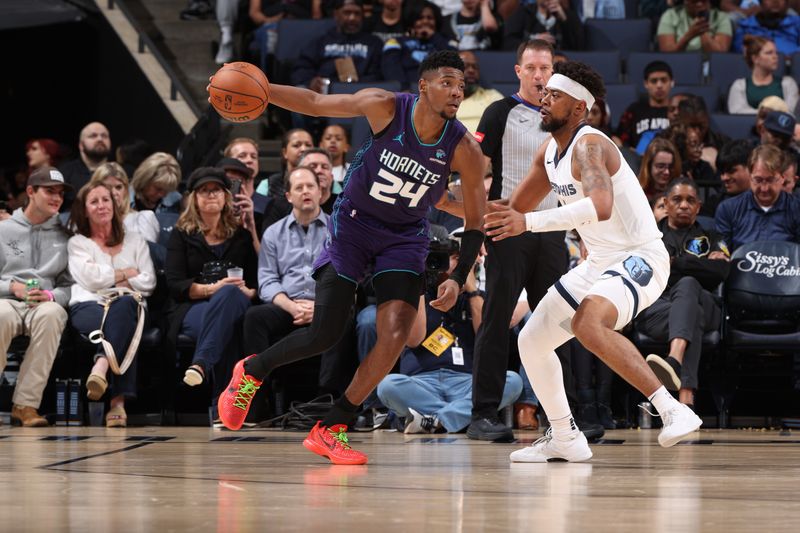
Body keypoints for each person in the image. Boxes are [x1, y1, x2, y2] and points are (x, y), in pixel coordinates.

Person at [213, 50, 486, 465]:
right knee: (325, 332)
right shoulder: (384, 106)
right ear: (424, 86)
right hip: (353, 227)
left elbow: (476, 219)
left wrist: (458, 274)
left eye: (461, 85)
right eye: (447, 82)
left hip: (404, 237)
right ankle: (252, 371)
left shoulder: (464, 146)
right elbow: (315, 103)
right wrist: (263, 92)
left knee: (394, 335)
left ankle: (333, 426)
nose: (456, 91)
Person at [485, 60, 703, 462]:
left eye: (554, 95)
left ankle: (673, 409)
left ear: (580, 108)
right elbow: (509, 213)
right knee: (531, 340)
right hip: (598, 262)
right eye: (544, 93)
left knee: (588, 323)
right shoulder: (548, 152)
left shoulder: (590, 145)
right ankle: (565, 438)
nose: (544, 100)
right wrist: (444, 200)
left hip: (641, 257)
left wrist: (528, 222)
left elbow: (599, 207)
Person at [458, 39, 569, 441]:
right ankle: (482, 414)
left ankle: (566, 415)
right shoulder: (499, 112)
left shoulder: (563, 116)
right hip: (507, 229)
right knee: (496, 318)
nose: (540, 75)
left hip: (551, 229)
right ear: (518, 71)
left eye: (546, 68)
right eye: (533, 68)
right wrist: (478, 217)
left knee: (558, 322)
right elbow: (476, 170)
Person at [376, 239, 523, 434]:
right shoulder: (415, 293)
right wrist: (417, 281)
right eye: (452, 258)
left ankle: (434, 421)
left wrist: (471, 289)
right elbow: (413, 339)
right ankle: (460, 417)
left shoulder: (477, 297)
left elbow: (487, 337)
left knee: (513, 380)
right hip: (421, 383)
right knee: (388, 385)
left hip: (467, 383)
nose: (450, 265)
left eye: (460, 260)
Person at [242, 166, 345, 402]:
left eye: (311, 186)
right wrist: (292, 307)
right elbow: (267, 281)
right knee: (254, 318)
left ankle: (326, 399)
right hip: (287, 306)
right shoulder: (273, 233)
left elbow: (346, 277)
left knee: (344, 319)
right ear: (288, 196)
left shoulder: (338, 231)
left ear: (321, 193)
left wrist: (319, 306)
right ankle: (256, 401)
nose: (306, 191)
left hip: (325, 305)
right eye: (299, 187)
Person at [165, 168, 258, 403]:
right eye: (204, 191)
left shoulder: (241, 235)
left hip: (237, 303)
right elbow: (175, 284)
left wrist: (250, 291)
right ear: (193, 198)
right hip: (192, 306)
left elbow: (258, 278)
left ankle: (200, 365)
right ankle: (227, 407)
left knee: (229, 304)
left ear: (226, 196)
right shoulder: (181, 234)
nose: (211, 195)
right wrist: (214, 289)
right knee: (227, 323)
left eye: (216, 190)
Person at [67, 182, 156, 427]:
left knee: (125, 308)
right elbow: (89, 279)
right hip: (88, 305)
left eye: (106, 199)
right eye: (94, 201)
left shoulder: (135, 240)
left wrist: (105, 278)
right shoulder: (78, 243)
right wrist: (126, 274)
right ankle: (117, 403)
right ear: (84, 210)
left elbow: (148, 282)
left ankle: (101, 366)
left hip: (127, 306)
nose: (101, 206)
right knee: (123, 330)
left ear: (114, 205)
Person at [638, 177, 730, 408]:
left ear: (698, 206)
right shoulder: (648, 239)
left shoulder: (712, 237)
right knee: (691, 314)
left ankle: (675, 360)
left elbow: (721, 270)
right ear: (666, 203)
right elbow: (641, 271)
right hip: (658, 309)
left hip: (707, 305)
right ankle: (685, 399)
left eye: (690, 201)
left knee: (688, 284)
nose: (684, 205)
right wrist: (700, 266)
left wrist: (674, 263)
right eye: (677, 200)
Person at [0, 167, 72, 427]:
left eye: (60, 194)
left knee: (53, 315)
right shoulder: (4, 230)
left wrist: (52, 296)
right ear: (30, 192)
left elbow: (70, 285)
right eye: (49, 191)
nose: (56, 198)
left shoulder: (66, 235)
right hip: (6, 299)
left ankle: (26, 405)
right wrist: (13, 287)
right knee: (1, 315)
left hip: (43, 304)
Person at [715, 144, 800, 251]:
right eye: (758, 180)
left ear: (782, 178)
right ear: (750, 177)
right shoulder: (727, 209)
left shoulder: (796, 209)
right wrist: (719, 254)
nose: (764, 188)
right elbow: (722, 248)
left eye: (770, 180)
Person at [292, 0, 384, 90]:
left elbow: (380, 74)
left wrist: (358, 84)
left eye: (357, 13)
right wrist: (310, 81)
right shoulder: (321, 41)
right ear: (336, 14)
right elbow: (302, 67)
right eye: (347, 13)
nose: (352, 18)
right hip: (325, 94)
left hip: (361, 93)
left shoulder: (374, 43)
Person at [381, 1, 457, 90]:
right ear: (411, 21)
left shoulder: (447, 42)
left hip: (440, 90)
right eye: (420, 18)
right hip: (407, 91)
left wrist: (435, 37)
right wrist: (405, 89)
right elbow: (391, 69)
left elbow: (453, 65)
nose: (425, 21)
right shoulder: (395, 43)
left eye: (430, 18)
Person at [90, 162, 160, 243]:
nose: (114, 193)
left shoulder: (142, 220)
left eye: (118, 187)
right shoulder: (84, 222)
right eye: (107, 187)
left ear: (126, 190)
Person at [728, 35, 799, 114]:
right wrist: (768, 114)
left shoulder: (788, 84)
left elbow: (791, 113)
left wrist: (764, 114)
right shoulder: (739, 86)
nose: (775, 56)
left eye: (776, 52)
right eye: (769, 53)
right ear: (755, 58)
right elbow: (737, 112)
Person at [614, 61, 673, 155]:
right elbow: (617, 139)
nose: (659, 85)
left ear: (672, 82)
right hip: (638, 163)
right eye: (654, 81)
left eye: (664, 80)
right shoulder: (634, 110)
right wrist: (631, 154)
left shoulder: (678, 111)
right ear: (646, 84)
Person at [59, 122, 112, 209]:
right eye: (93, 136)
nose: (100, 139)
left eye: (104, 136)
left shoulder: (119, 171)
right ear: (81, 145)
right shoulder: (65, 172)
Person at [503, 0, 585, 51]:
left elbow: (579, 46)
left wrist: (564, 20)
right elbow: (508, 43)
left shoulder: (569, 16)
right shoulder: (523, 13)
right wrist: (533, 41)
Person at [455, 50, 504, 135]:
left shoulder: (492, 97)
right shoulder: (442, 100)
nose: (471, 70)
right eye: (465, 66)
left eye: (475, 67)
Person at [701, 139, 753, 216]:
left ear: (750, 168)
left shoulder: (767, 200)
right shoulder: (714, 204)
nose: (724, 178)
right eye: (722, 172)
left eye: (731, 171)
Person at [657, 0, 733, 53]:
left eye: (703, 1)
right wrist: (689, 36)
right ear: (685, 1)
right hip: (679, 63)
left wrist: (702, 32)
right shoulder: (670, 15)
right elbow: (667, 55)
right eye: (694, 1)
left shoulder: (721, 17)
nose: (699, 4)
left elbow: (720, 56)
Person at [733, 0, 800, 56]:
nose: (775, 1)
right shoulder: (745, 27)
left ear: (787, 4)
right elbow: (741, 54)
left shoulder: (797, 23)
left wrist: (790, 59)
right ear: (761, 3)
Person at [638, 137, 682, 201]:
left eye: (671, 167)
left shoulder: (681, 191)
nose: (667, 172)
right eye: (661, 166)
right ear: (649, 166)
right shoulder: (637, 192)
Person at [297, 148, 339, 213]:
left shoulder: (344, 206)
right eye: (313, 166)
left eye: (324, 167)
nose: (319, 171)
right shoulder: (285, 207)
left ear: (331, 177)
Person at [319, 124, 351, 191]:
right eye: (328, 138)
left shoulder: (353, 171)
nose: (333, 141)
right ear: (321, 145)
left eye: (338, 139)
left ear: (347, 147)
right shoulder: (313, 170)